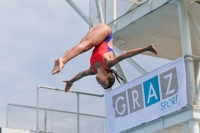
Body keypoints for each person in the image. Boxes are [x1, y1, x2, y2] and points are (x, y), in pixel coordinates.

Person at [52, 23, 158, 92]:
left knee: (80, 47)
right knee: (85, 46)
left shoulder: (92, 70)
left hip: (95, 33)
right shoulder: (108, 63)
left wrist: (71, 82)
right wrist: (146, 49)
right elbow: (126, 54)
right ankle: (63, 60)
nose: (99, 82)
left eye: (100, 85)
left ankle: (61, 59)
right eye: (103, 82)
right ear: (107, 74)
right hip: (105, 31)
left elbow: (81, 75)